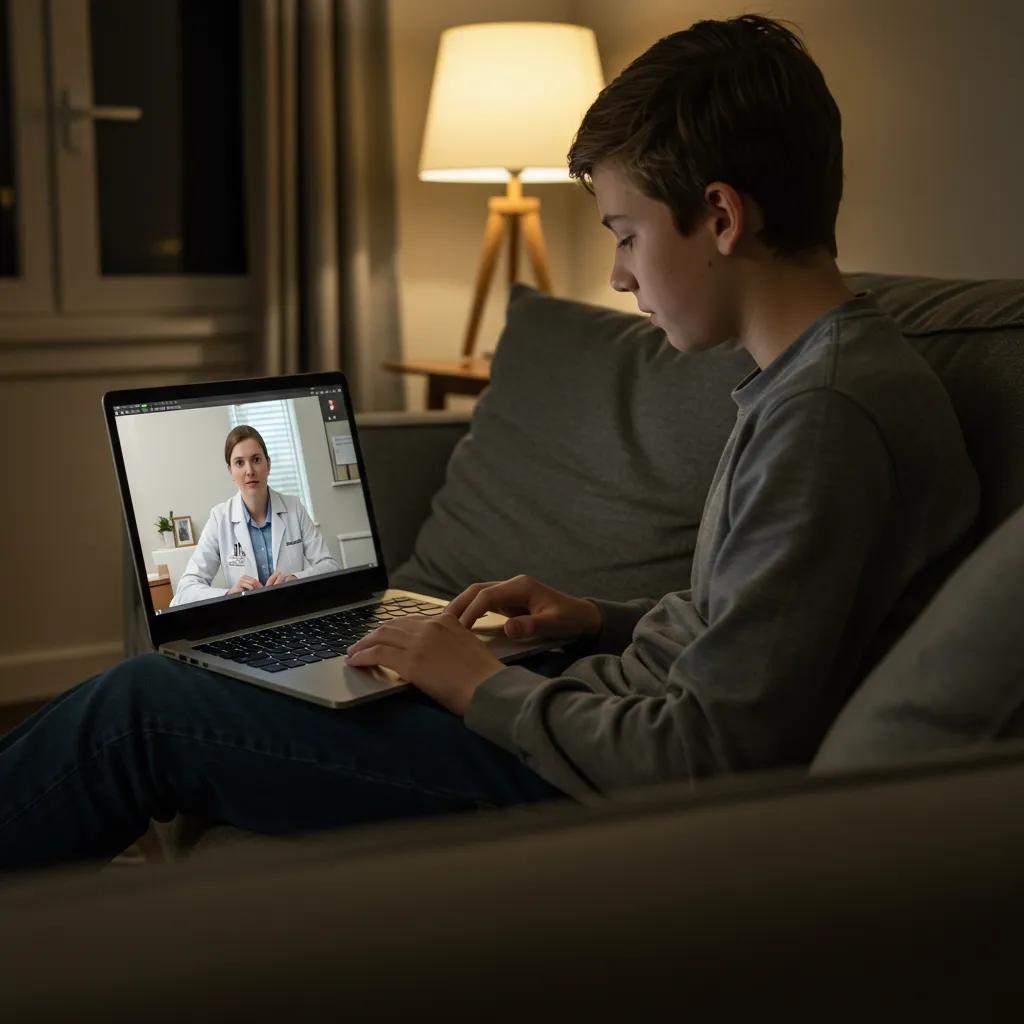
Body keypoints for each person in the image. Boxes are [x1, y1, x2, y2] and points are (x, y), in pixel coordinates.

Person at [0, 15, 978, 873]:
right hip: (579, 717)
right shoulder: (815, 378)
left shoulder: (827, 416)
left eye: (627, 232)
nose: (619, 272)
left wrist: (480, 685)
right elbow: (756, 632)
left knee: (142, 708)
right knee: (217, 684)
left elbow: (705, 755)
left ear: (719, 217)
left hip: (578, 786)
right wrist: (594, 617)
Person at [169, 425, 340, 606]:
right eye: (239, 463)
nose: (249, 470)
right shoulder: (220, 518)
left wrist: (297, 578)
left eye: (256, 460)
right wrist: (229, 594)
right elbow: (186, 589)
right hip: (247, 617)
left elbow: (330, 566)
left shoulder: (294, 507)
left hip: (294, 609)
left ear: (268, 464)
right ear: (231, 471)